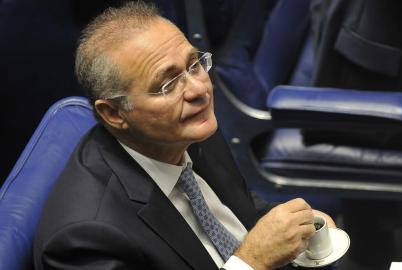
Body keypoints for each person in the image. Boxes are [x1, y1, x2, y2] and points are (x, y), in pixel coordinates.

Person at [34, 2, 335, 270]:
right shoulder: (86, 241)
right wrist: (252, 263)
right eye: (167, 85)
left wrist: (293, 225)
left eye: (194, 65)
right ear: (114, 113)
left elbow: (238, 208)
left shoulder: (188, 129)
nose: (198, 90)